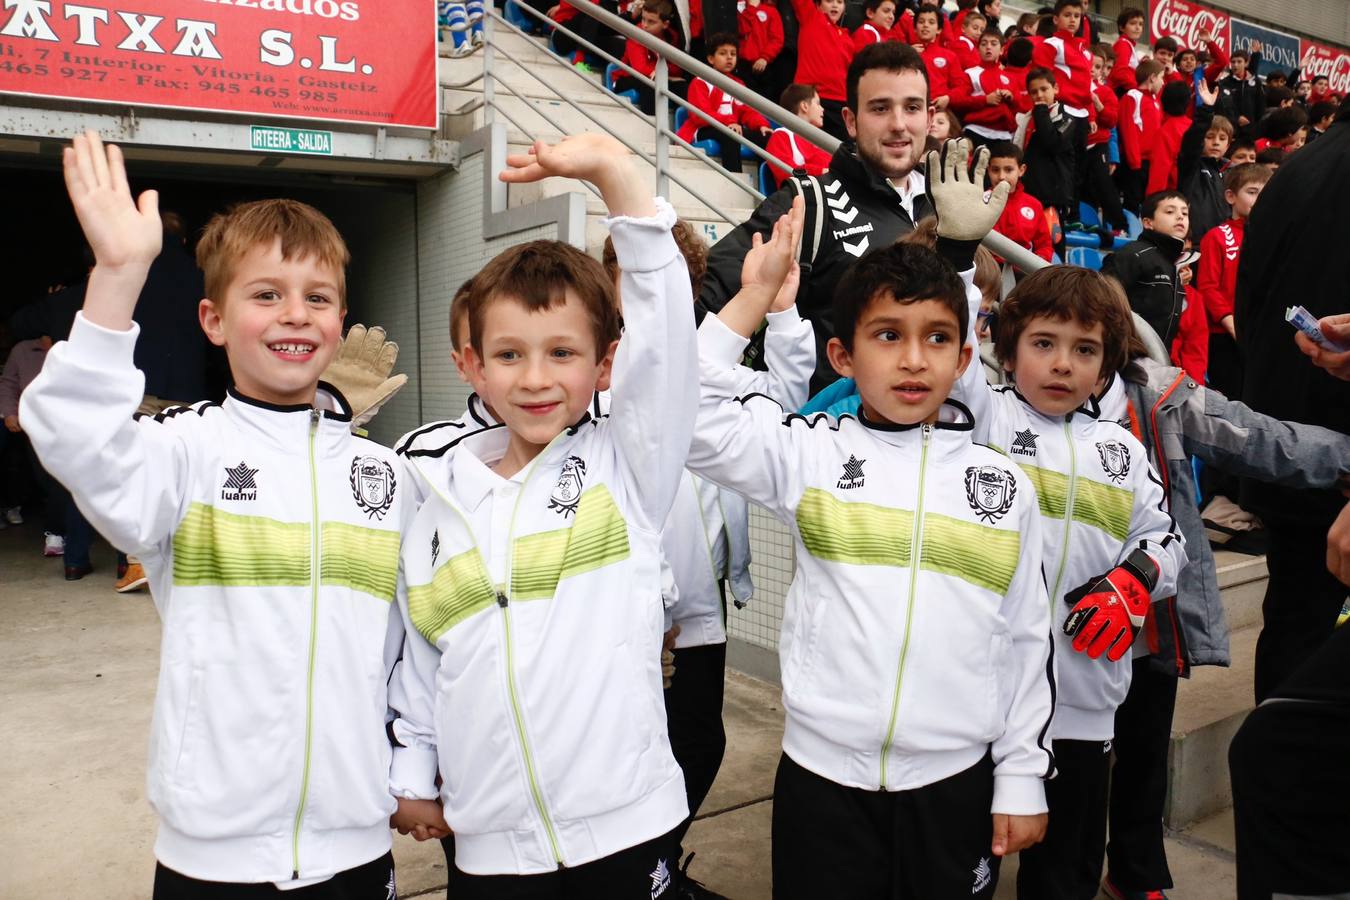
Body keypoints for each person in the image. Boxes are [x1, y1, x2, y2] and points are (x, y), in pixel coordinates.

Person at [22, 132, 412, 895]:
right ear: (212, 319)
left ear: (339, 321)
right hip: (212, 859)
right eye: (265, 295)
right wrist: (117, 277)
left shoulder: (387, 474)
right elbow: (73, 434)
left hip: (359, 845)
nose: (294, 316)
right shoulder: (183, 451)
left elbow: (411, 651)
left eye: (318, 298)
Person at [689, 155, 1053, 898]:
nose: (913, 360)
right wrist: (753, 299)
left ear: (963, 358)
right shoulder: (812, 452)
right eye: (887, 336)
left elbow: (1024, 638)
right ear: (842, 356)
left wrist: (1021, 775)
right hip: (822, 781)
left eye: (937, 339)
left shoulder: (1003, 487)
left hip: (956, 781)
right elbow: (685, 416)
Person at [388, 133, 699, 894]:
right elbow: (424, 663)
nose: (535, 379)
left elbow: (667, 345)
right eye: (510, 354)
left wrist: (618, 180)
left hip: (628, 828)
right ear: (472, 365)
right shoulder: (434, 506)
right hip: (488, 845)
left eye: (562, 353)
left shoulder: (626, 469)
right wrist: (411, 770)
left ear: (603, 367)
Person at [923, 143, 1184, 900]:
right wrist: (958, 251)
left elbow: (1165, 543)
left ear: (1107, 369)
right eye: (1043, 344)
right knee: (964, 867)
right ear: (1007, 351)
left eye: (1084, 351)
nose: (1063, 364)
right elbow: (940, 330)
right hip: (982, 698)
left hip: (1084, 706)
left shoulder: (1120, 449)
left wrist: (1137, 583)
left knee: (1064, 875)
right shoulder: (983, 416)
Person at [605, 219, 813, 899]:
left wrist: (781, 318)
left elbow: (782, 404)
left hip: (701, 606)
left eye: (678, 282)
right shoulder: (603, 373)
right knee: (632, 756)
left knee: (698, 745)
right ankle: (643, 874)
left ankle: (657, 869)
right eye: (637, 282)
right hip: (630, 612)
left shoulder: (714, 366)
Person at [699, 41, 937, 392]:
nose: (899, 124)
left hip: (929, 435)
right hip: (825, 431)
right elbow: (706, 295)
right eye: (880, 108)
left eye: (912, 107)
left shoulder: (949, 209)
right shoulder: (807, 202)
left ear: (930, 118)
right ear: (851, 122)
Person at [1233, 98, 1350, 704]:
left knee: (1292, 629)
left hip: (1282, 442)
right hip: (1335, 458)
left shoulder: (1296, 171)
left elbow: (1251, 308)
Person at [1196, 163, 1270, 421]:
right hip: (1224, 337)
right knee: (1231, 408)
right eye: (1252, 192)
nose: (1259, 199)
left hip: (1260, 335)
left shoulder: (1271, 238)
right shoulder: (1217, 236)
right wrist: (1232, 324)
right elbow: (1208, 287)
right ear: (1230, 196)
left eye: (1265, 192)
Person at [1101, 190, 1189, 347]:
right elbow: (1102, 302)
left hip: (1156, 358)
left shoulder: (1172, 263)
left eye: (1185, 213)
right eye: (1170, 211)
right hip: (1126, 356)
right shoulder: (1133, 254)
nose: (1180, 216)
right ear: (1148, 223)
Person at [679, 33, 773, 172]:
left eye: (733, 54)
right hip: (703, 129)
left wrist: (761, 125)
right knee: (730, 134)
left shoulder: (738, 84)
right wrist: (728, 121)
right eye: (723, 53)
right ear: (711, 59)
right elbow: (700, 115)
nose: (729, 57)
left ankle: (763, 186)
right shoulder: (700, 82)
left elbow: (747, 110)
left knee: (766, 137)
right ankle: (734, 179)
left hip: (731, 127)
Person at [787, 0, 854, 139]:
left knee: (836, 153)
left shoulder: (848, 38)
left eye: (840, 2)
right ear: (818, 5)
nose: (835, 5)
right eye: (829, 1)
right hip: (809, 98)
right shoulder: (811, 16)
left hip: (840, 103)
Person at [1019, 68, 1076, 232]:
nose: (1039, 95)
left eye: (1044, 89)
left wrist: (1041, 112)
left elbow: (1051, 142)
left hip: (1053, 196)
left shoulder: (1067, 117)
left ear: (1055, 89)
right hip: (1030, 190)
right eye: (1034, 92)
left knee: (1052, 243)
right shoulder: (1027, 118)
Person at [950, 27, 1018, 146]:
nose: (988, 47)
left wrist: (1011, 98)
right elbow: (957, 101)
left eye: (993, 43)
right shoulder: (970, 73)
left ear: (1002, 50)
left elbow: (1019, 106)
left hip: (1003, 134)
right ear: (978, 49)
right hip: (976, 130)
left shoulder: (1010, 77)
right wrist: (985, 100)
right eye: (984, 44)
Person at [614, 1, 685, 116]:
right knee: (650, 85)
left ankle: (680, 131)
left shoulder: (672, 37)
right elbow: (640, 69)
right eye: (643, 19)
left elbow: (677, 68)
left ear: (665, 24)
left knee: (683, 87)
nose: (645, 25)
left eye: (651, 21)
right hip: (627, 78)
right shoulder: (636, 34)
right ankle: (652, 125)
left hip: (659, 78)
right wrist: (666, 75)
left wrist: (662, 74)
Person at [987, 141, 1053, 261]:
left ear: (1021, 170)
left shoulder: (1034, 205)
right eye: (995, 170)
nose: (1001, 176)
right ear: (988, 170)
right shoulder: (982, 200)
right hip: (990, 268)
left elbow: (1044, 244)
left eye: (1008, 170)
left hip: (1024, 268)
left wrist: (1038, 262)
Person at [1177, 108, 1233, 241]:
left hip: (1224, 242)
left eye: (1222, 138)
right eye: (1209, 137)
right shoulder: (1191, 166)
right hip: (1195, 240)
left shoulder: (1232, 172)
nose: (1216, 142)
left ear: (1228, 145)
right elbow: (1191, 145)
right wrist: (1206, 112)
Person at [1117, 59, 1164, 213]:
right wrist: (1134, 162)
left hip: (1152, 162)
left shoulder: (1155, 101)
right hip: (1136, 163)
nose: (1163, 83)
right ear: (1152, 78)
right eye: (1161, 78)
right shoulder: (1132, 96)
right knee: (1132, 201)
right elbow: (1128, 130)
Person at [764, 83, 833, 186]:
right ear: (804, 106)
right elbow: (785, 171)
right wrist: (821, 172)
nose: (822, 109)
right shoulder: (781, 135)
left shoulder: (821, 141)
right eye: (818, 103)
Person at [1145, 81, 1197, 195]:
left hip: (1175, 191)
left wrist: (1153, 200)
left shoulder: (1165, 132)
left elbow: (1160, 170)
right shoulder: (1194, 127)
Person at [913, 4, 960, 110]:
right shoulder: (905, 53)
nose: (925, 25)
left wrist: (948, 98)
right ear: (915, 28)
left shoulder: (950, 56)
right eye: (921, 22)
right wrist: (907, 54)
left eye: (931, 22)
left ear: (939, 29)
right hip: (911, 108)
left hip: (938, 110)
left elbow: (961, 87)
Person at [737, 0, 785, 104]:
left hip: (764, 67)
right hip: (742, 65)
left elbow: (777, 39)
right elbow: (742, 30)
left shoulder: (771, 11)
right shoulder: (738, 7)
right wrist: (750, 7)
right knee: (744, 102)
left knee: (765, 103)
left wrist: (765, 58)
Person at [1215, 46, 1265, 138]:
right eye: (1233, 62)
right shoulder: (1224, 83)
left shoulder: (1255, 82)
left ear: (1246, 63)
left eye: (1239, 61)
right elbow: (1224, 106)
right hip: (1232, 130)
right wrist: (1236, 118)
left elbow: (1260, 104)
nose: (1235, 65)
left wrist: (1258, 125)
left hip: (1252, 130)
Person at [1109, 7, 1145, 93]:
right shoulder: (1123, 44)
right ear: (1121, 27)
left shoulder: (1128, 44)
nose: (1138, 27)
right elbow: (1119, 72)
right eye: (1133, 23)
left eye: (1140, 24)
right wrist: (1138, 89)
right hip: (1120, 92)